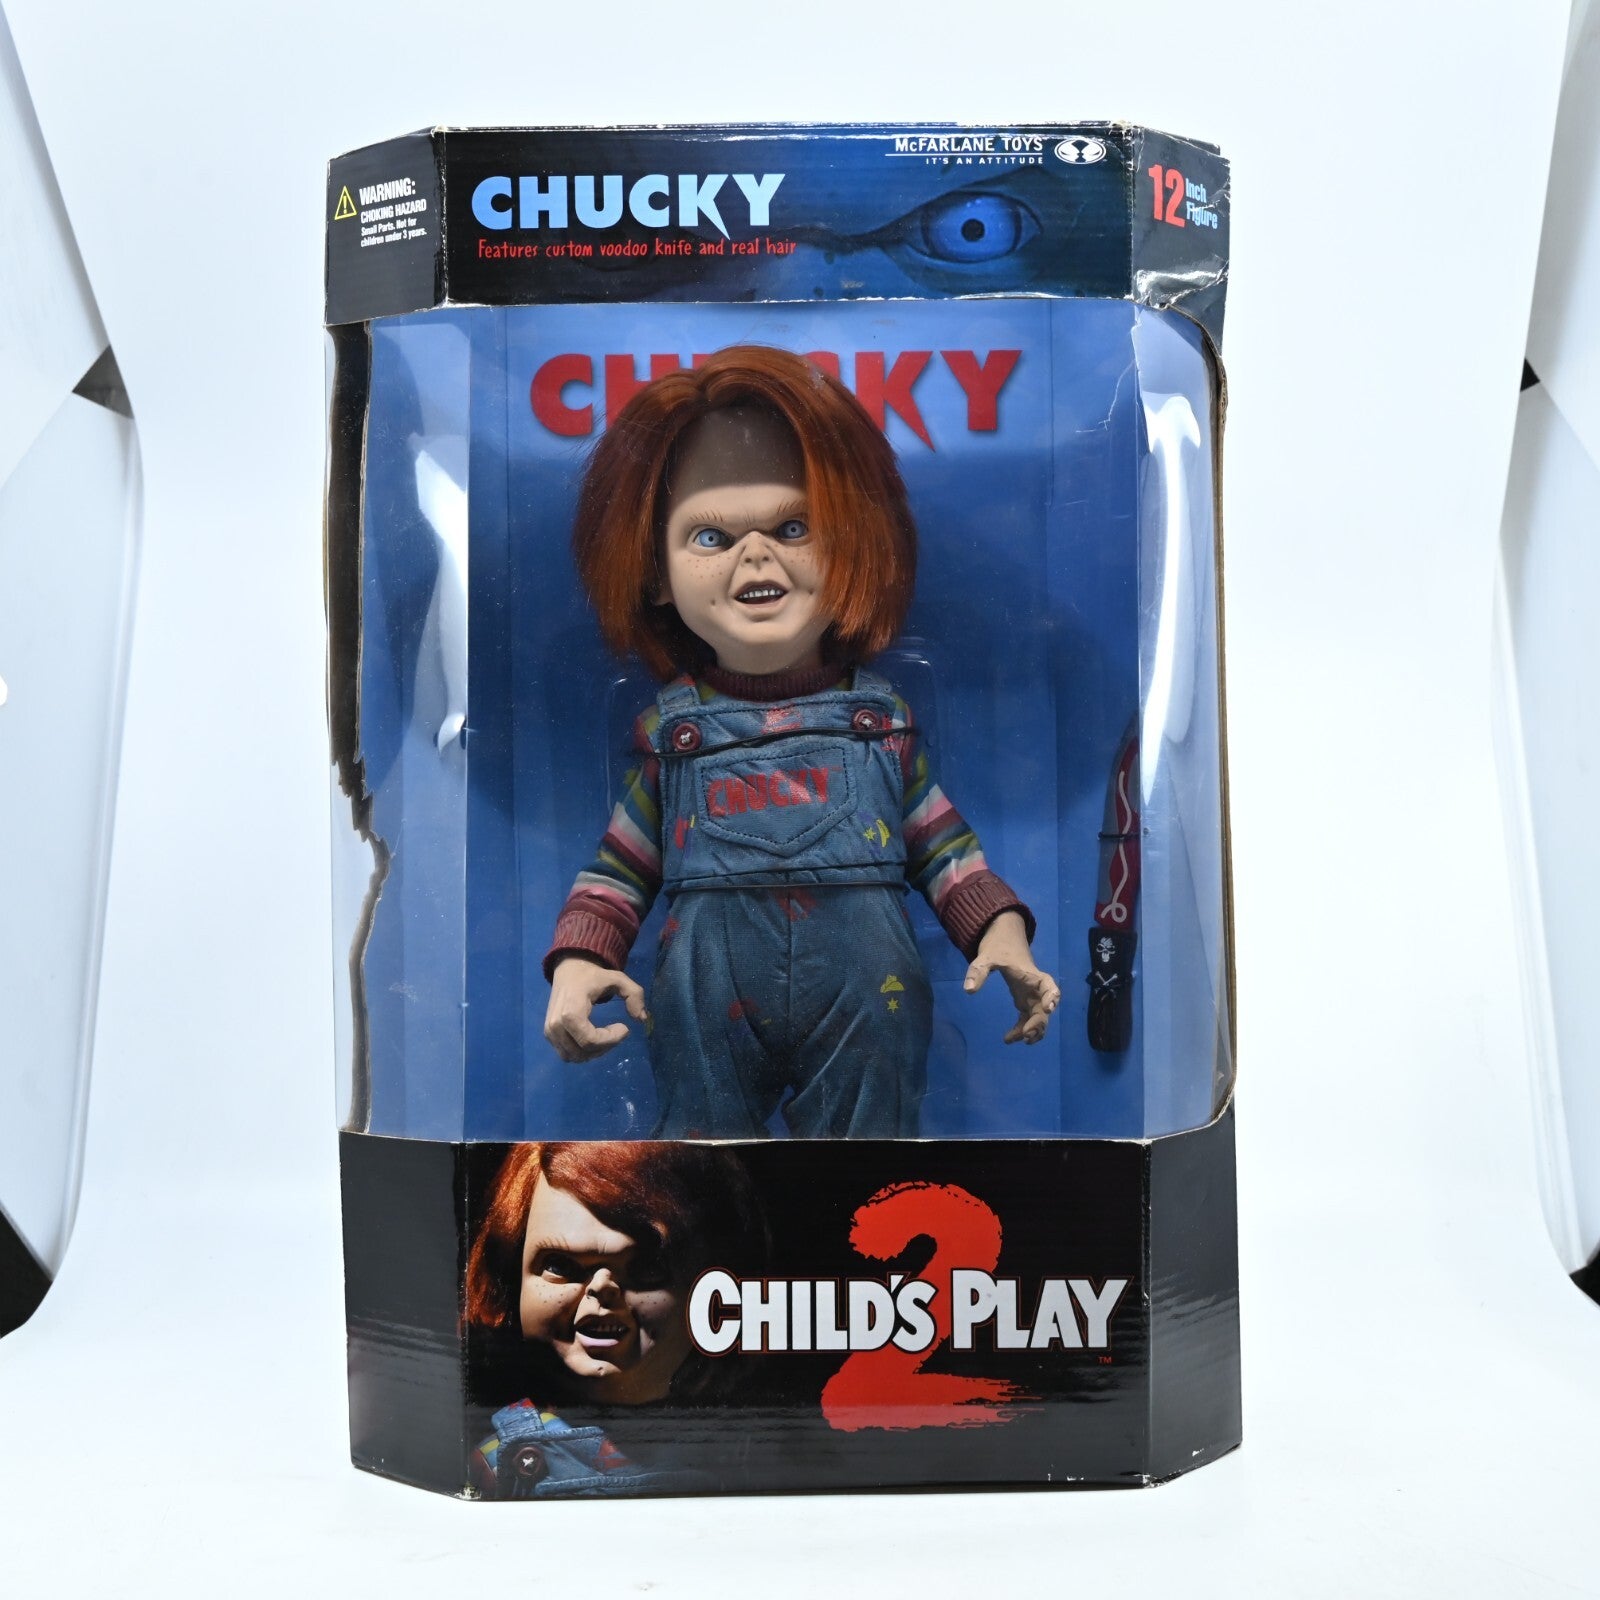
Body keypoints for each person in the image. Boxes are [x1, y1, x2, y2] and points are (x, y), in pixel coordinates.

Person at [544, 345, 1059, 1138]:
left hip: (869, 991)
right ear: (653, 573)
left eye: (793, 527)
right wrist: (580, 961)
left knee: (868, 1163)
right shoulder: (674, 738)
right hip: (707, 991)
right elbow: (619, 869)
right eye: (710, 537)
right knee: (708, 1170)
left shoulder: (878, 724)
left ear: (854, 542)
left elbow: (946, 851)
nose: (756, 555)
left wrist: (1004, 937)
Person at [463, 1140, 766, 1498]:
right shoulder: (501, 1459)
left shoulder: (739, 1446)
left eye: (647, 1269)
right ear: (511, 1273)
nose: (602, 1290)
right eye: (560, 1265)